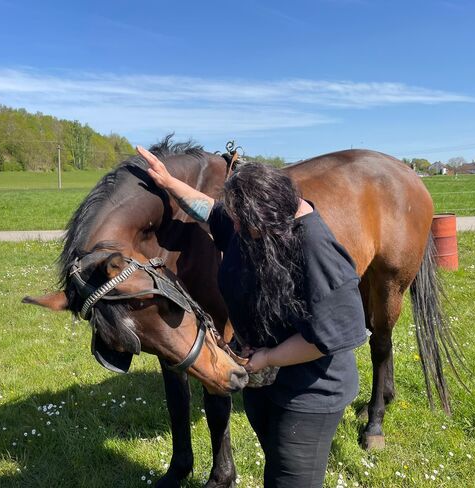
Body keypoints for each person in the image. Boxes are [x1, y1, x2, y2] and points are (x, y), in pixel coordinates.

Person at [137, 145, 367, 488]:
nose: (237, 229)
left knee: (289, 480)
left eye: (245, 224)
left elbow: (327, 336)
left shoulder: (316, 249)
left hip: (310, 391)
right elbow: (210, 212)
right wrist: (169, 182)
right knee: (276, 465)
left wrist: (269, 357)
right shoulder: (256, 228)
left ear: (270, 216)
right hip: (264, 381)